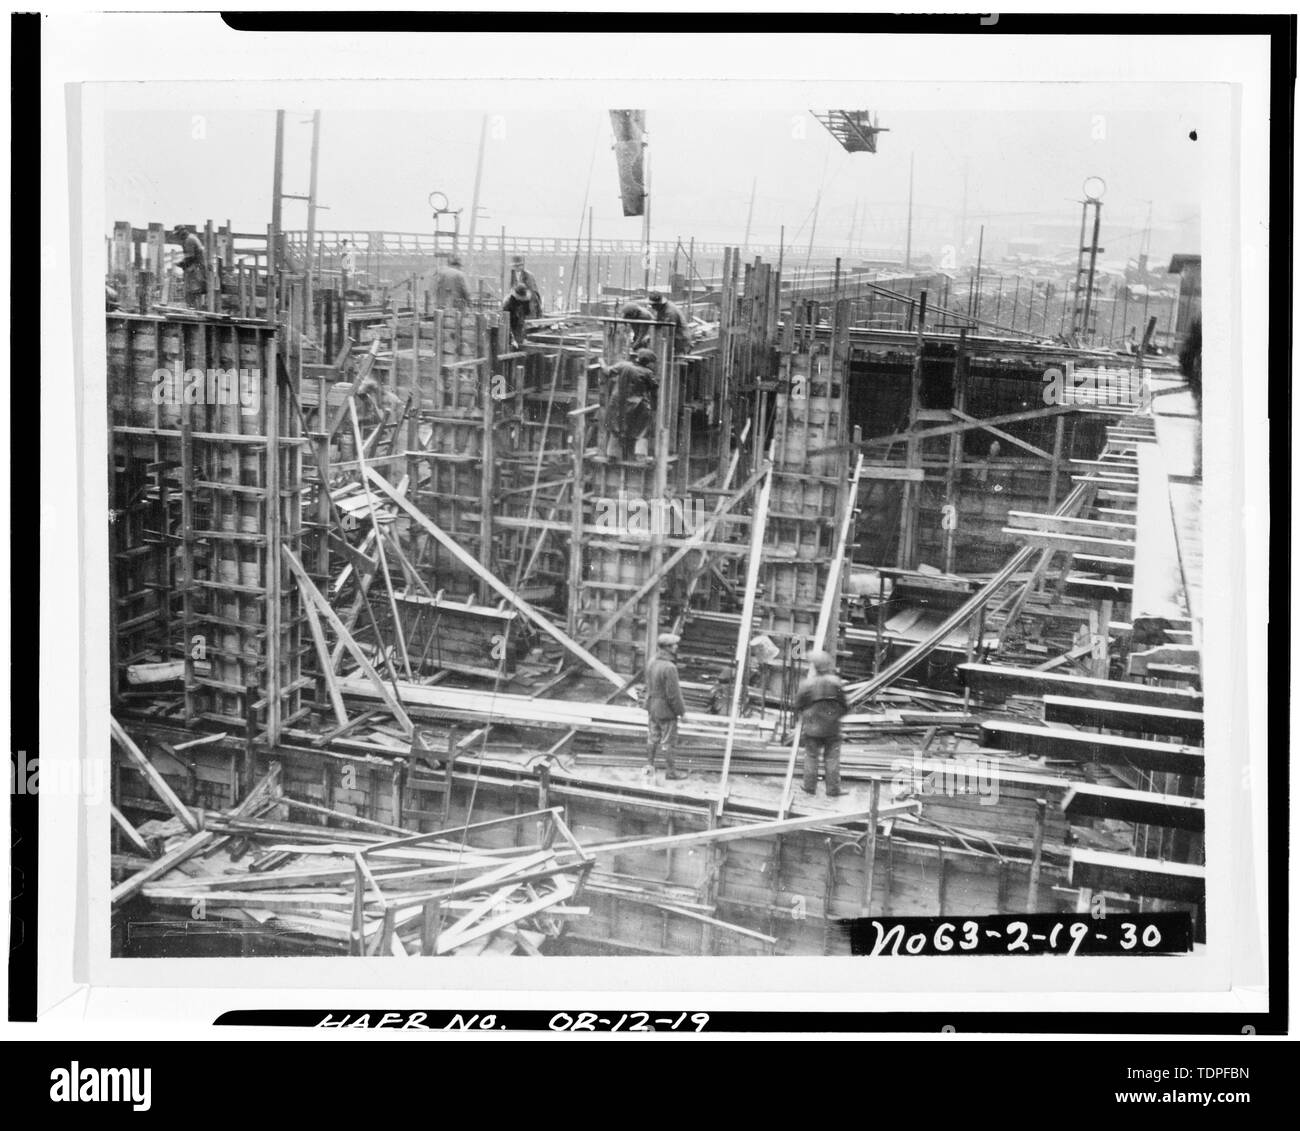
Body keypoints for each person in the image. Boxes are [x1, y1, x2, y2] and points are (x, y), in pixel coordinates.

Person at [795, 649, 848, 798]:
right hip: (832, 728)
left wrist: (806, 715)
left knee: (811, 756)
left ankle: (809, 787)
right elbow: (845, 705)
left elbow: (798, 704)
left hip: (812, 728)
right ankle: (833, 790)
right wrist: (836, 717)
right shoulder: (836, 683)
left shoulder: (807, 684)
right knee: (832, 758)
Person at [600, 347, 657, 460]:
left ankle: (612, 455)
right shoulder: (648, 373)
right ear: (648, 362)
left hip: (618, 403)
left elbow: (607, 371)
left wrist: (601, 361)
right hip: (637, 405)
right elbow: (654, 390)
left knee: (616, 428)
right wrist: (654, 407)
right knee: (642, 429)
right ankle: (640, 455)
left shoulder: (624, 365)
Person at [644, 633, 688, 781]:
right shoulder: (670, 667)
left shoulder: (652, 662)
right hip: (666, 711)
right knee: (668, 742)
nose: (677, 647)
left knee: (652, 738)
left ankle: (649, 767)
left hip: (652, 707)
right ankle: (670, 772)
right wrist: (682, 713)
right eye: (674, 645)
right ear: (668, 648)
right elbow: (673, 695)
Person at [648, 291, 691, 359]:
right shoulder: (662, 308)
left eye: (653, 305)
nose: (652, 307)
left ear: (659, 304)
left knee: (674, 362)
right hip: (674, 338)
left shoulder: (670, 313)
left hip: (679, 340)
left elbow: (668, 334)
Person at [176, 225, 208, 309]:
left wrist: (181, 264)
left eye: (178, 234)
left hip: (195, 268)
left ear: (182, 232)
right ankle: (195, 308)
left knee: (192, 291)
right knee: (194, 291)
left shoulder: (189, 240)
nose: (177, 236)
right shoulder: (191, 238)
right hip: (198, 267)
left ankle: (193, 309)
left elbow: (190, 258)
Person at [502, 282, 532, 348]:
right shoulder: (508, 303)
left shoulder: (524, 301)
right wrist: (512, 339)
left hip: (518, 329)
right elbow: (506, 323)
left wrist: (524, 337)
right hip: (509, 328)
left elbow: (523, 319)